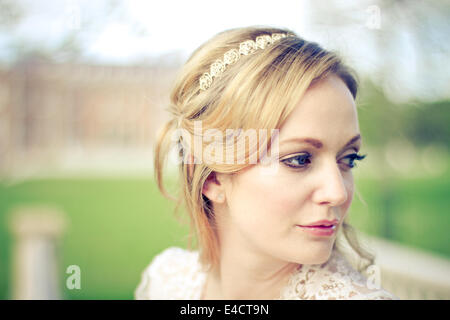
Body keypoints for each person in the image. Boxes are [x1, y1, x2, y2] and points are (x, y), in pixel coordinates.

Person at [135, 25, 398, 300]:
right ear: (212, 177)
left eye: (349, 159)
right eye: (299, 159)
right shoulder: (167, 281)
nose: (338, 193)